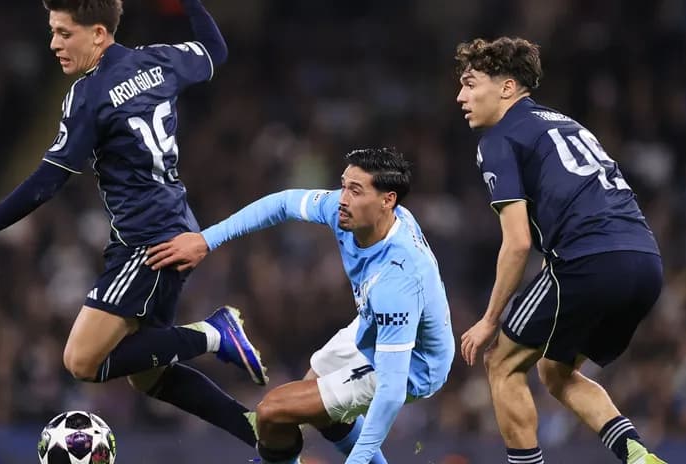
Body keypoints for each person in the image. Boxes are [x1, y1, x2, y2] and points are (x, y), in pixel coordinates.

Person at [0, 0, 267, 447]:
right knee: (149, 377)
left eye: (65, 34)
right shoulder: (159, 59)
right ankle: (261, 436)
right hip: (173, 223)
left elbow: (48, 180)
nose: (54, 44)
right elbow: (214, 50)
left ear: (99, 34)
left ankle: (213, 334)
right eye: (52, 32)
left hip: (147, 243)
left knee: (82, 362)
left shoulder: (90, 94)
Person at [146, 148, 455, 464]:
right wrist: (206, 240)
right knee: (315, 398)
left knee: (273, 412)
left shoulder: (397, 278)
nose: (342, 198)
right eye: (344, 185)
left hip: (412, 363)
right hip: (374, 324)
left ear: (387, 200)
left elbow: (390, 392)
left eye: (355, 190)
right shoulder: (361, 212)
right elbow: (281, 203)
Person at [454, 37, 667, 464]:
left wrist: (489, 320)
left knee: (502, 363)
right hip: (646, 263)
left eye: (470, 83)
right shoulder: (568, 124)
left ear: (508, 88)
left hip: (588, 261)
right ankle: (638, 456)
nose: (461, 96)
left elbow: (517, 243)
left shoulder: (499, 140)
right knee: (554, 370)